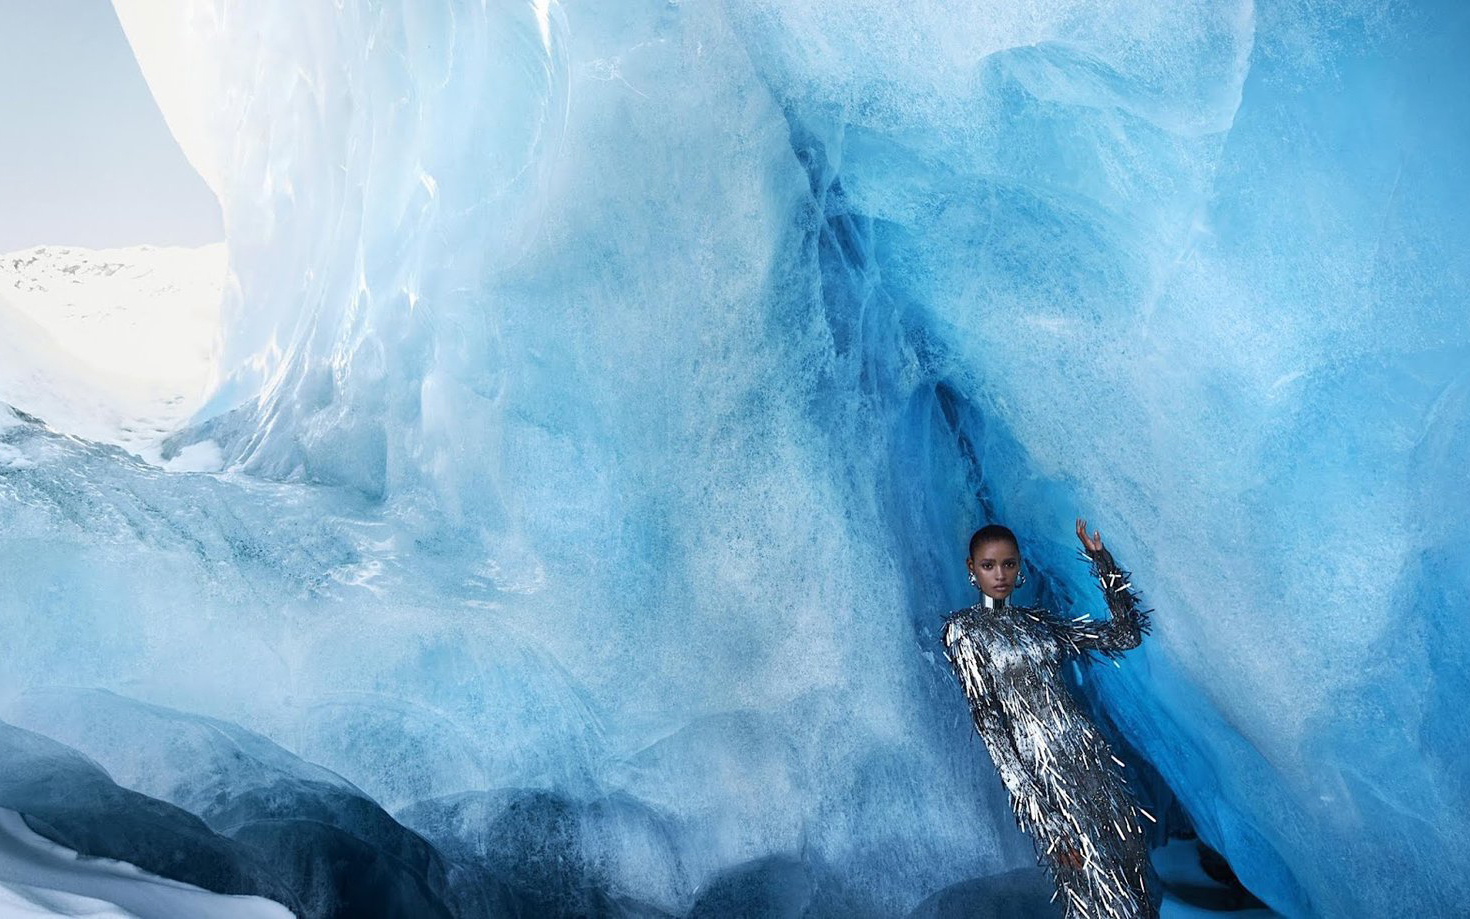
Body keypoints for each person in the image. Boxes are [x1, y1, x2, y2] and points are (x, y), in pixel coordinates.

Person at [942, 519, 1158, 919]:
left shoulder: (1038, 623)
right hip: (1047, 776)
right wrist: (1047, 823)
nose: (1000, 574)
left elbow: (1126, 635)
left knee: (1135, 876)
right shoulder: (963, 631)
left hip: (1092, 760)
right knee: (1098, 894)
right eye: (989, 565)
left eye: (1008, 564)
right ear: (971, 568)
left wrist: (1101, 560)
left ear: (1019, 565)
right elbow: (991, 730)